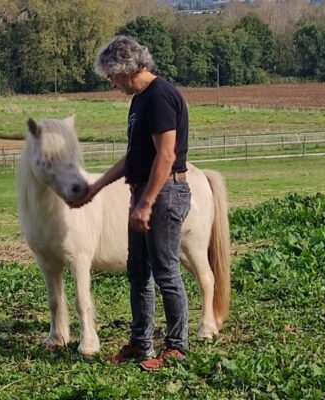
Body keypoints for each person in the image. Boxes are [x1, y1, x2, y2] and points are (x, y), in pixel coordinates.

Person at [77, 35, 191, 371]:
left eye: (111, 76)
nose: (111, 83)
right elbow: (135, 158)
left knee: (165, 271)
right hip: (143, 191)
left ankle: (176, 348)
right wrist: (96, 186)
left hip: (164, 193)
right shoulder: (139, 101)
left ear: (124, 69)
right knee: (138, 272)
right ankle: (141, 343)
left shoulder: (159, 97)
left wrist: (147, 204)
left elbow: (166, 155)